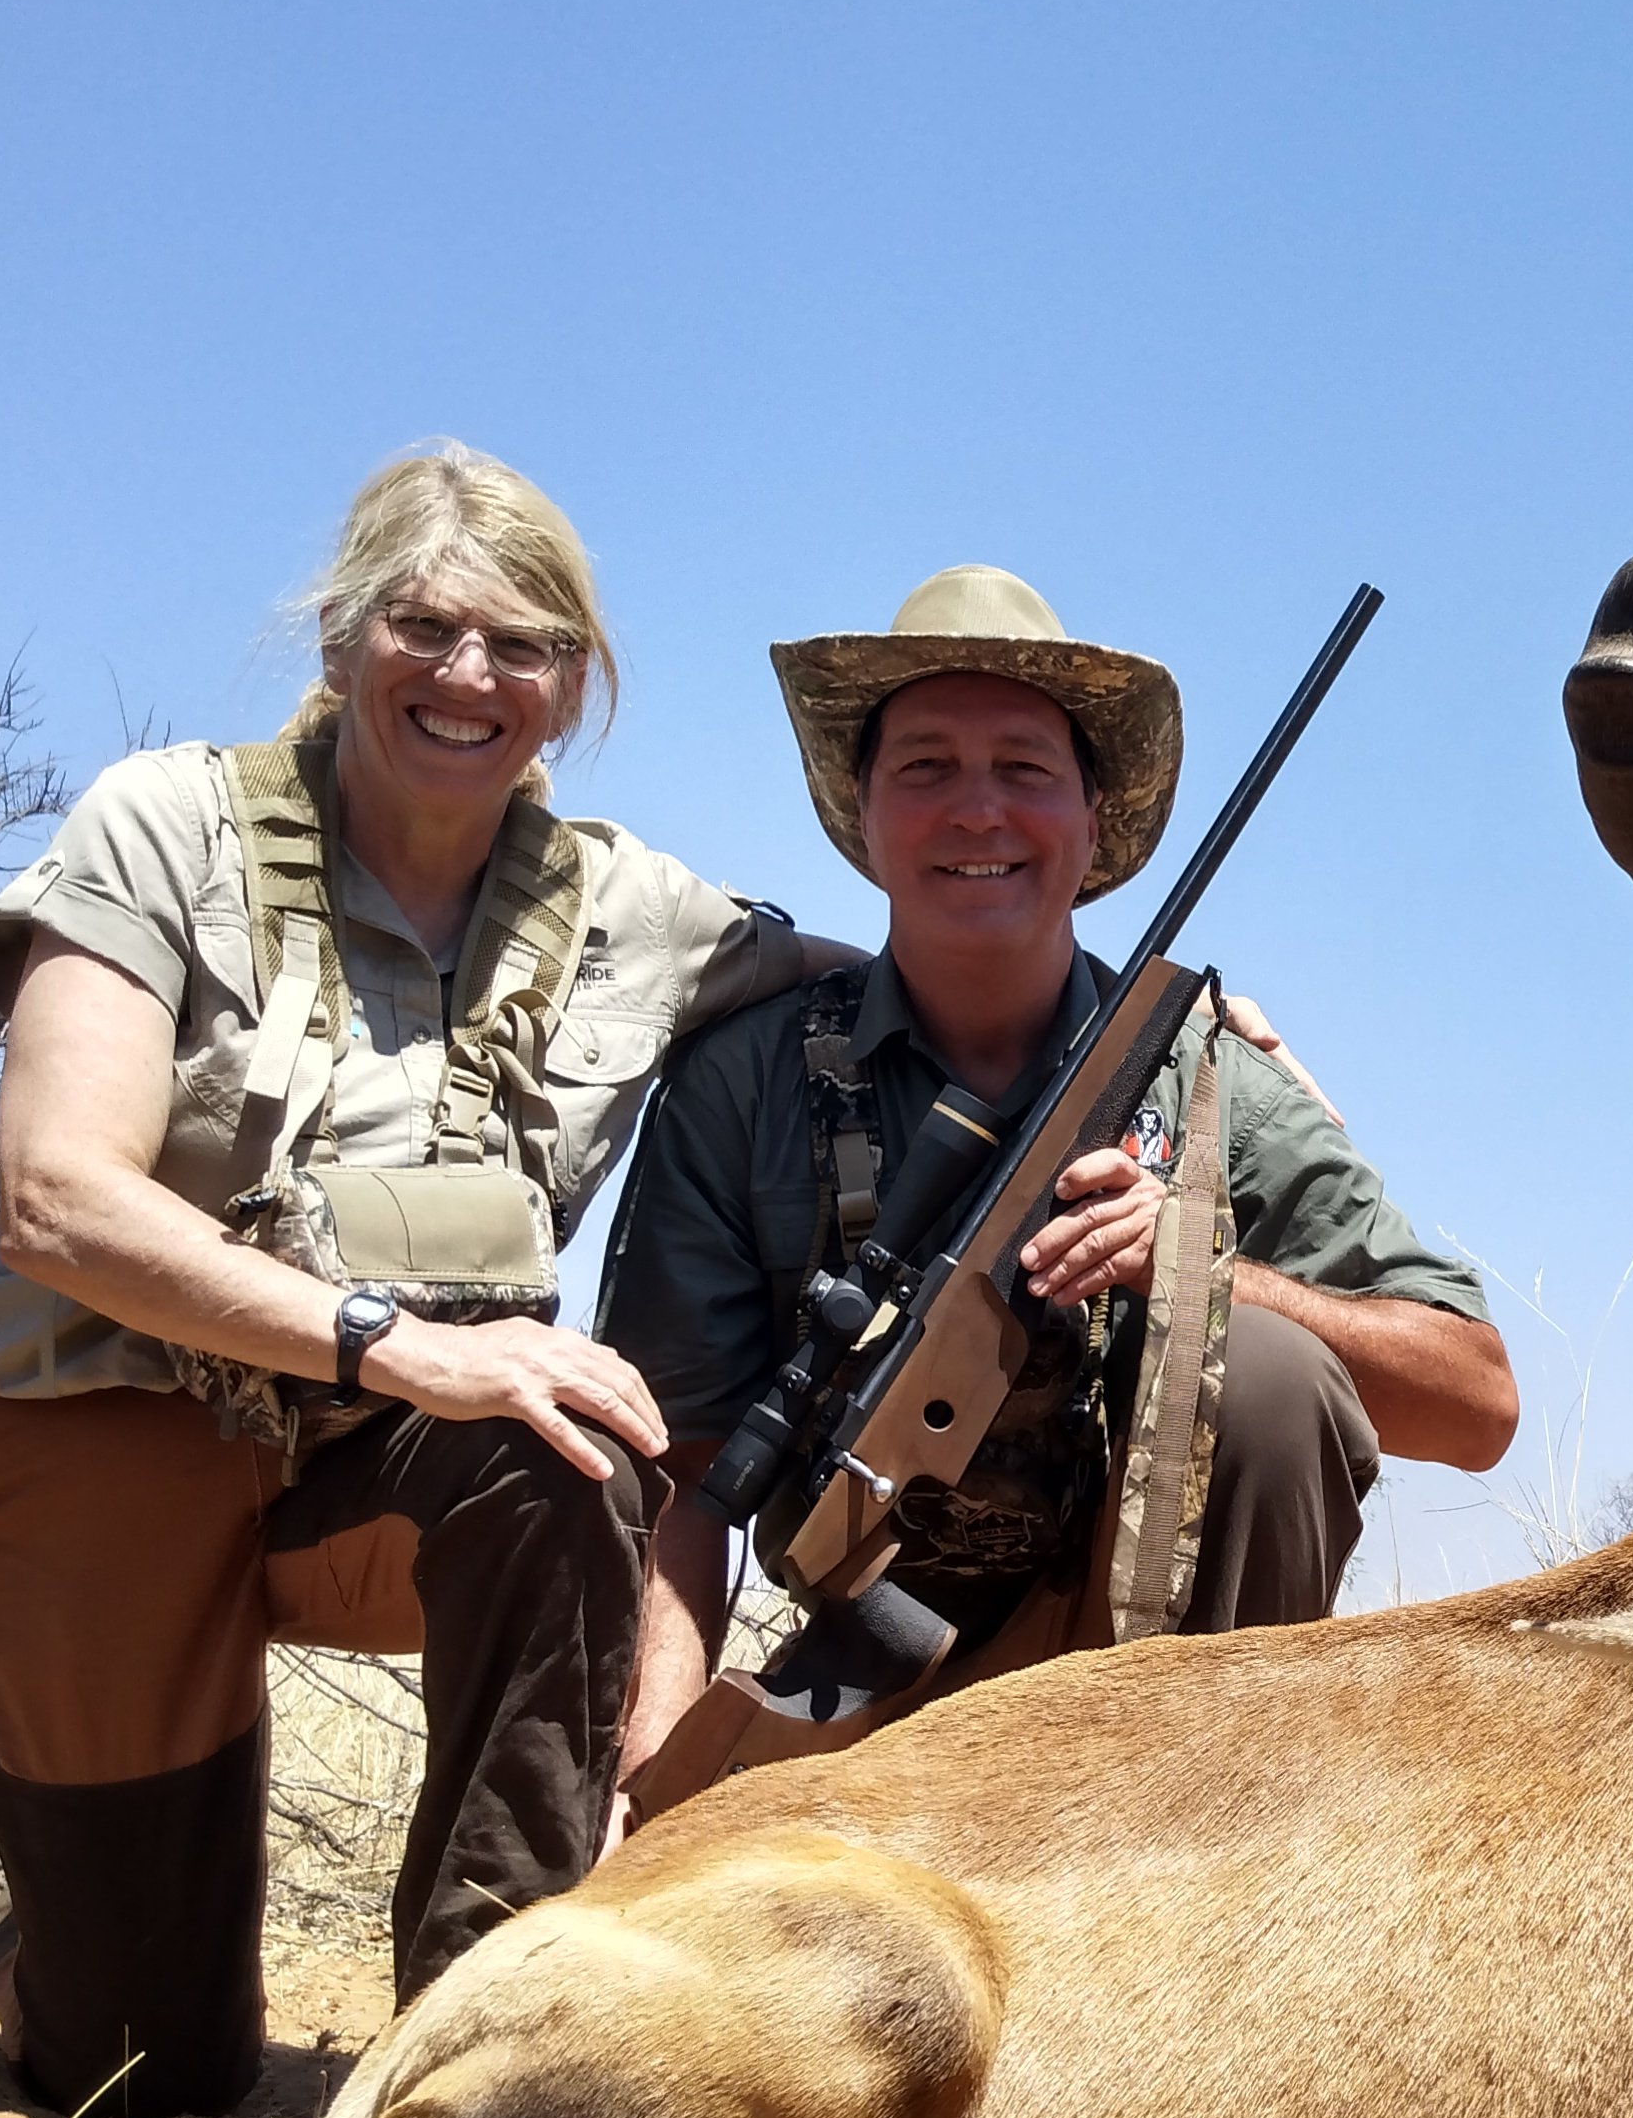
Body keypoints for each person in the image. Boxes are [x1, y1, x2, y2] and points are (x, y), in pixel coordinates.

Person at [0, 445, 838, 2118]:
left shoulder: (641, 911)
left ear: (574, 689)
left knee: (567, 1444)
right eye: (426, 628)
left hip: (384, 1469)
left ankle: (484, 2045)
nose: (471, 678)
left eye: (527, 646)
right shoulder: (164, 824)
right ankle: (69, 1950)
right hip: (110, 1438)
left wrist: (1160, 1024)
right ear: (344, 639)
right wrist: (396, 1347)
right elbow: (55, 1203)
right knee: (141, 2072)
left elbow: (915, 987)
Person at [602, 565, 1516, 1784]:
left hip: (1151, 1706)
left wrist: (1196, 1271)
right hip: (863, 1681)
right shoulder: (742, 1081)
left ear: (1093, 825)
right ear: (861, 814)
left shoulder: (1206, 1075)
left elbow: (1475, 1404)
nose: (977, 810)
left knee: (1274, 1371)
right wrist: (648, 1776)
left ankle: (1229, 1858)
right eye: (925, 766)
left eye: (1024, 771)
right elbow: (690, 1478)